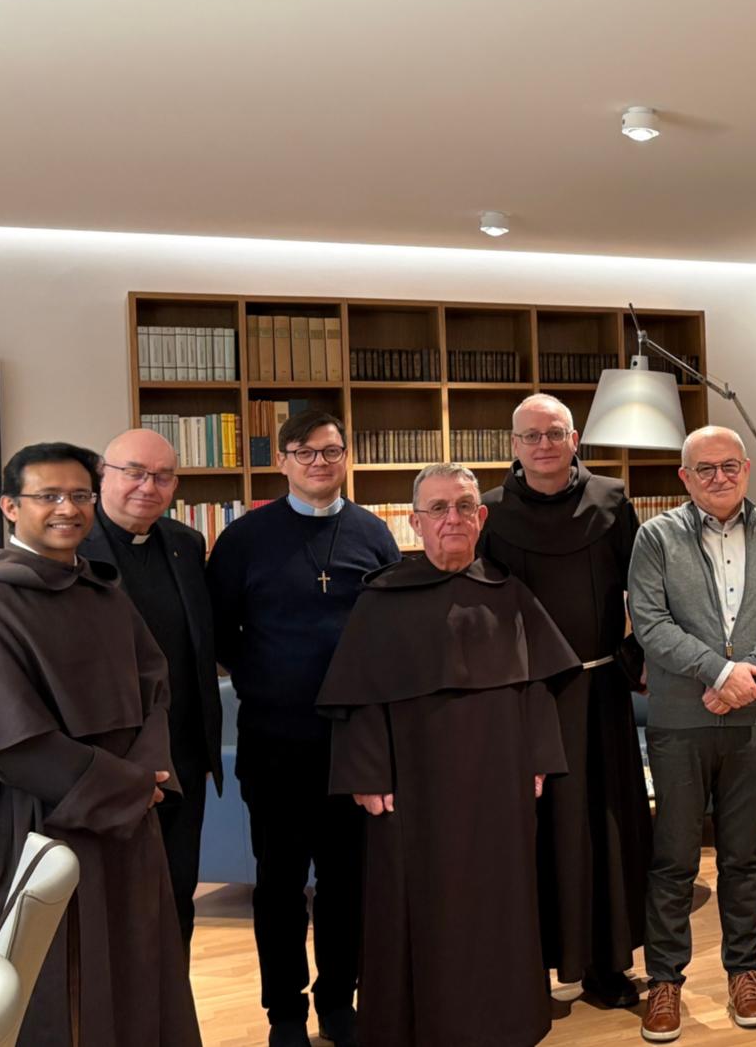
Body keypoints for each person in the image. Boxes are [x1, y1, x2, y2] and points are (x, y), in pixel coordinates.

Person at [0, 442, 201, 1046]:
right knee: (51, 981)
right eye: (49, 496)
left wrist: (146, 774)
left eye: (80, 496)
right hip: (42, 820)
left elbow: (155, 687)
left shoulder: (104, 593)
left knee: (140, 962)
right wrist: (126, 786)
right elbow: (10, 740)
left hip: (127, 815)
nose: (68, 509)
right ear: (11, 506)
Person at [318, 464, 574, 1047]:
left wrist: (538, 758)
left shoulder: (509, 594)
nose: (452, 519)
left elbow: (537, 684)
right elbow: (355, 698)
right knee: (412, 900)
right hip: (411, 787)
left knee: (500, 898)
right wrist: (367, 771)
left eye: (463, 507)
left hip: (498, 780)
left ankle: (504, 1019)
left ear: (481, 518)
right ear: (414, 522)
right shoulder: (381, 600)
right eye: (438, 509)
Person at [207, 409, 400, 1047]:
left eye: (332, 450)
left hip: (354, 748)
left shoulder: (373, 534)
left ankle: (338, 1004)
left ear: (346, 458)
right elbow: (221, 635)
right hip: (275, 745)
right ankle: (284, 1013)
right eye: (306, 451)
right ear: (283, 460)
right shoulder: (243, 540)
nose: (321, 461)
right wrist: (274, 677)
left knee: (347, 887)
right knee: (280, 888)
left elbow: (386, 635)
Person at [626, 426, 756, 1042]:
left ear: (747, 469)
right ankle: (665, 983)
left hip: (753, 720)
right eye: (704, 469)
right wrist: (718, 670)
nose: (718, 478)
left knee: (744, 858)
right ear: (684, 477)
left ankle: (745, 973)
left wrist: (748, 675)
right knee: (674, 859)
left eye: (729, 466)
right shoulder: (655, 537)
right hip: (680, 722)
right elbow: (649, 622)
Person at [478, 392, 650, 1009]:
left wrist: (631, 664)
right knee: (530, 834)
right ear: (514, 445)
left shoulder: (612, 501)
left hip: (600, 692)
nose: (544, 445)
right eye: (531, 436)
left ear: (575, 438)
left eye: (554, 433)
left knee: (604, 828)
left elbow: (646, 592)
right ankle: (530, 968)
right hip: (525, 699)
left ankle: (605, 964)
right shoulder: (489, 514)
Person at [79, 426, 222, 947]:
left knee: (177, 893)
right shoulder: (73, 549)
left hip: (184, 755)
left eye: (162, 476)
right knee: (116, 902)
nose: (148, 486)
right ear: (104, 478)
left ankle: (171, 1022)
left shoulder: (187, 544)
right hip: (113, 760)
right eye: (134, 472)